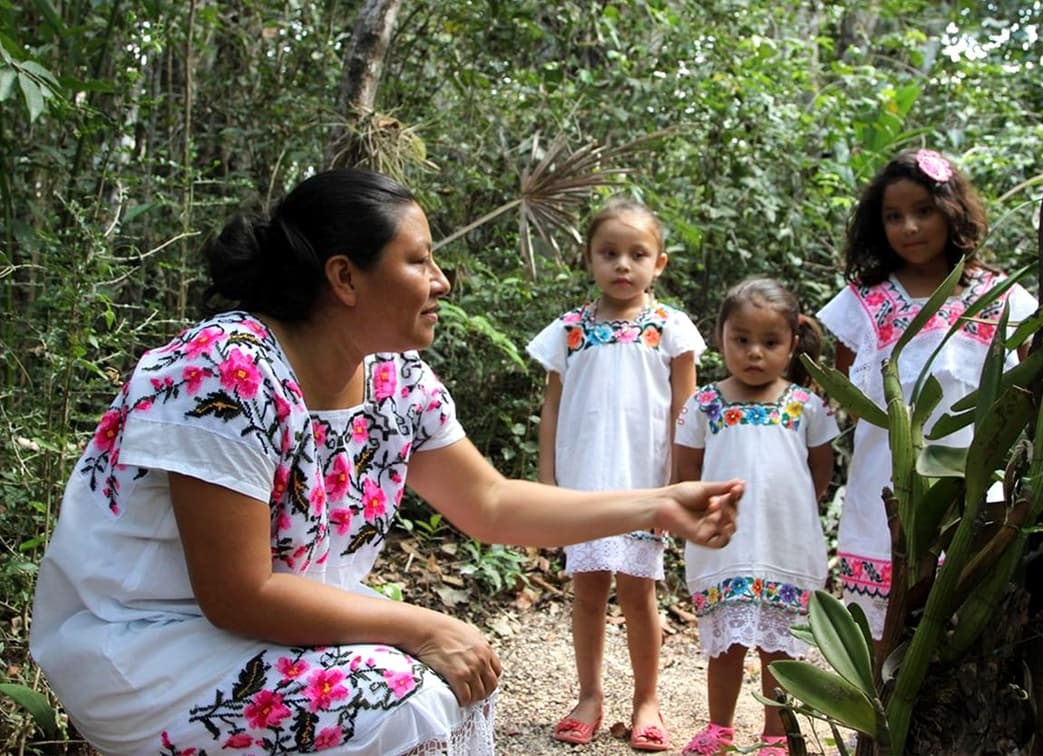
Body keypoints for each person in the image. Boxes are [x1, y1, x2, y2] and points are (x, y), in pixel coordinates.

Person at [29, 169, 743, 756]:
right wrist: (420, 625)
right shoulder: (222, 370)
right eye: (419, 260)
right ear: (345, 277)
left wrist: (657, 504)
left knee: (462, 681)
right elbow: (237, 593)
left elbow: (491, 503)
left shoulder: (396, 380)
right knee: (408, 696)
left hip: (267, 630)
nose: (442, 281)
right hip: (155, 645)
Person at [816, 148, 1037, 641]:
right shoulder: (863, 301)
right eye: (894, 216)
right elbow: (848, 393)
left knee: (971, 631)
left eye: (923, 211)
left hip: (982, 493)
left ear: (952, 211)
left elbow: (1028, 386)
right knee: (885, 636)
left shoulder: (1000, 296)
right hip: (886, 491)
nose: (910, 227)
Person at [526, 198, 705, 751]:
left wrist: (682, 483)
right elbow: (553, 407)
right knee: (587, 591)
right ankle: (589, 696)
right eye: (609, 253)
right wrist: (547, 479)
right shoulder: (569, 330)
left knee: (638, 592)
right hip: (583, 481)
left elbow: (686, 409)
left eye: (637, 254)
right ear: (589, 259)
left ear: (659, 263)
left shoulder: (670, 328)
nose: (623, 265)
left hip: (644, 480)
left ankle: (647, 700)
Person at [673, 278, 837, 756]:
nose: (754, 353)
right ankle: (719, 729)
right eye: (741, 339)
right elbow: (687, 472)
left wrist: (792, 508)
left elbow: (820, 472)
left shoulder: (806, 405)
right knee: (726, 644)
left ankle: (776, 733)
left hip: (786, 543)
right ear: (720, 335)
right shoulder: (705, 404)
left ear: (792, 343)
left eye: (770, 342)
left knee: (779, 647)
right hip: (725, 544)